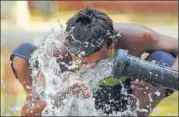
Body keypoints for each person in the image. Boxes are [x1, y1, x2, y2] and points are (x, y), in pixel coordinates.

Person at [10, 8, 178, 116]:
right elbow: (28, 112)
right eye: (81, 61)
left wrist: (152, 74)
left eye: (95, 62)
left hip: (127, 95)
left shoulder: (136, 37)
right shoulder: (58, 53)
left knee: (163, 60)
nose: (88, 66)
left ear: (111, 44)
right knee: (24, 54)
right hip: (78, 101)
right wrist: (63, 91)